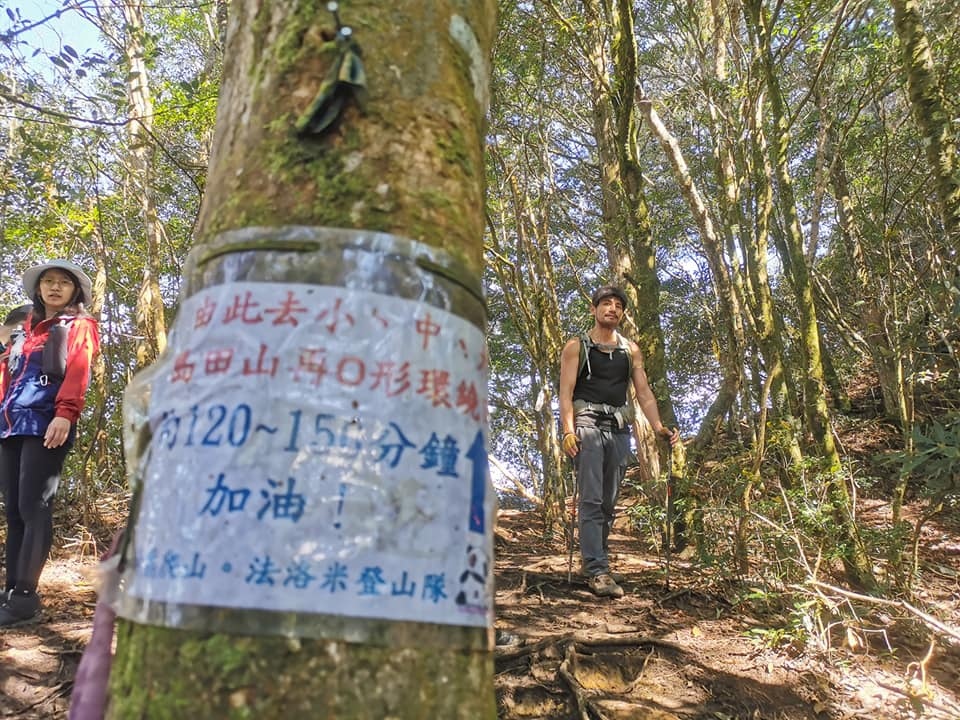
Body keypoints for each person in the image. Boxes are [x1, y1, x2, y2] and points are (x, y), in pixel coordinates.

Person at [558, 285, 678, 598]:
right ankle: (597, 569)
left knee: (609, 501)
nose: (612, 308)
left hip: (618, 428)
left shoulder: (630, 350)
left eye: (617, 305)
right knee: (592, 498)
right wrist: (568, 431)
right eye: (606, 303)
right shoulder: (576, 346)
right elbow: (566, 393)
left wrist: (658, 426)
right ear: (594, 309)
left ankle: (596, 560)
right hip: (587, 426)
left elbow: (643, 392)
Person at [0, 260, 99, 627]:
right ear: (38, 289)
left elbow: (78, 368)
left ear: (75, 291)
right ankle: (12, 589)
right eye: (48, 282)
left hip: (47, 422)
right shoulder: (23, 332)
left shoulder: (78, 325)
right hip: (11, 424)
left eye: (63, 283)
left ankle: (26, 597)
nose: (55, 288)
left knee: (33, 505)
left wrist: (66, 413)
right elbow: (8, 377)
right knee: (13, 510)